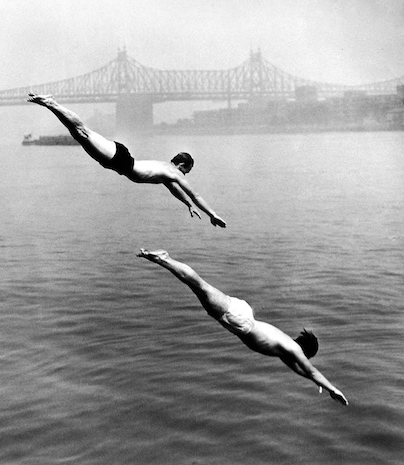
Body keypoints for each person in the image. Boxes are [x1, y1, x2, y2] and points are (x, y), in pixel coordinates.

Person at [137, 248, 348, 405]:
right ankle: (164, 258)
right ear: (305, 352)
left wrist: (318, 383)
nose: (304, 361)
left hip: (241, 317)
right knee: (199, 285)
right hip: (239, 319)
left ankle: (164, 260)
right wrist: (333, 389)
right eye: (307, 358)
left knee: (199, 288)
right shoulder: (292, 350)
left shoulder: (286, 349)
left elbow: (301, 371)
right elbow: (311, 371)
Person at [27, 93, 226, 227]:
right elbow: (196, 195)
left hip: (117, 162)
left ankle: (51, 105)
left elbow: (177, 190)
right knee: (82, 132)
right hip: (122, 161)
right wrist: (212, 214)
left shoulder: (167, 174)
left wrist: (187, 205)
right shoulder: (173, 172)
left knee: (79, 135)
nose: (184, 176)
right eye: (186, 172)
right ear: (182, 165)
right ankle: (51, 103)